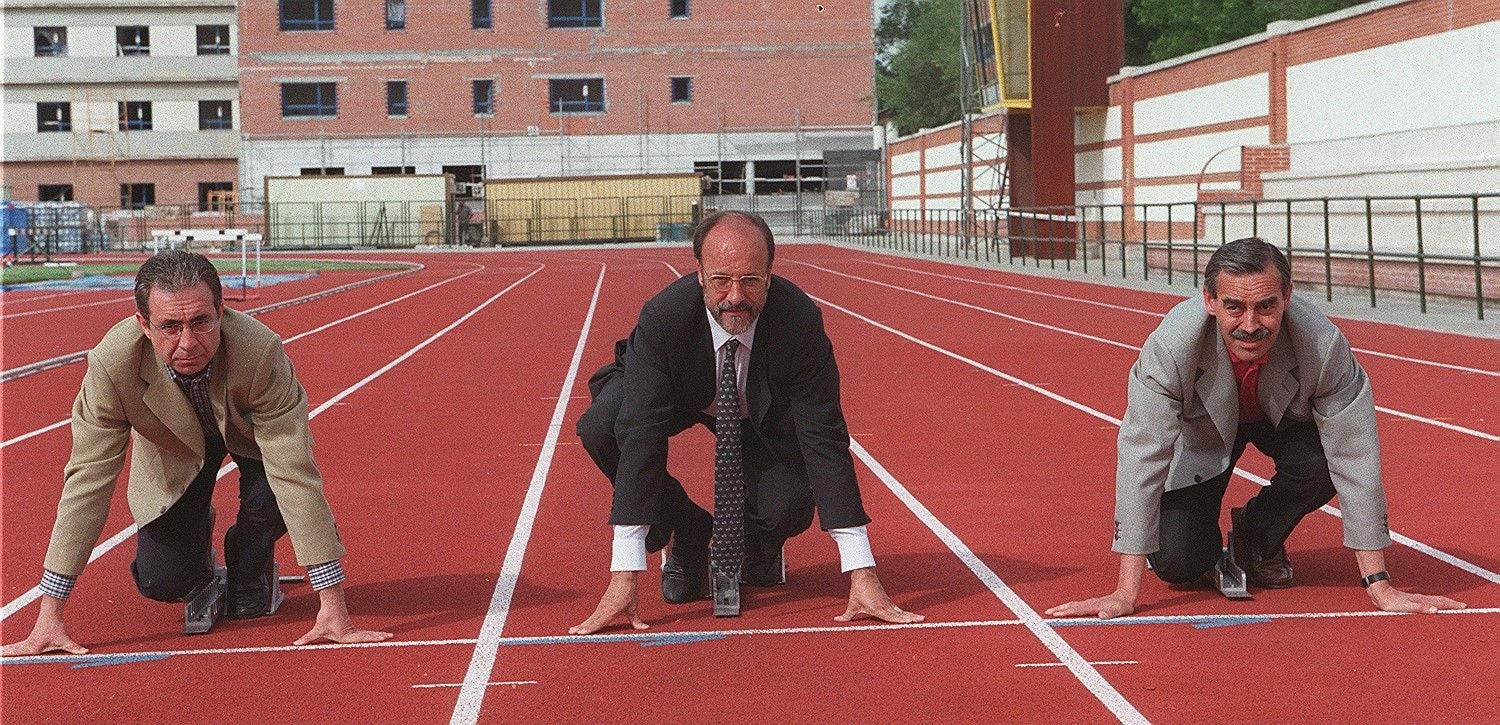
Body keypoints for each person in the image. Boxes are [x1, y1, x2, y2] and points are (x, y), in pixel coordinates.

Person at [1047, 237, 1465, 619]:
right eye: (1234, 307)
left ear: (1286, 298)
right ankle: (1207, 553)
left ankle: (1255, 532)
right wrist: (1124, 593)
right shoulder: (1171, 347)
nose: (1250, 324)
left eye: (1266, 306)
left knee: (1323, 464)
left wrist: (1380, 586)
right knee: (1178, 563)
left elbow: (1355, 454)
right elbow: (1142, 454)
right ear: (1209, 300)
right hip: (1205, 434)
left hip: (1283, 420)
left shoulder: (1323, 344)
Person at [4, 251, 390, 655]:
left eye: (201, 322)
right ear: (144, 325)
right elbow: (87, 481)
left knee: (275, 498)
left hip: (250, 439)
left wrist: (333, 607)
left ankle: (248, 553)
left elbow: (295, 471)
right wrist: (50, 614)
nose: (188, 343)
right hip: (173, 448)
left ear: (221, 312)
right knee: (162, 582)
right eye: (170, 326)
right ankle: (196, 535)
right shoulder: (111, 367)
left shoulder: (260, 353)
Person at [569, 211, 924, 634]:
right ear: (699, 275)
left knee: (789, 504)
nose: (735, 296)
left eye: (750, 281)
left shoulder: (799, 322)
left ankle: (755, 541)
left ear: (770, 277)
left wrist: (862, 572)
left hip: (759, 415)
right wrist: (624, 574)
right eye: (721, 280)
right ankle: (688, 524)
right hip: (681, 394)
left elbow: (823, 437)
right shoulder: (664, 318)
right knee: (603, 427)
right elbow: (641, 432)